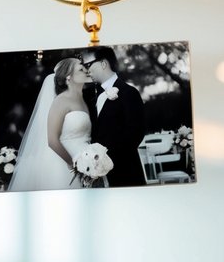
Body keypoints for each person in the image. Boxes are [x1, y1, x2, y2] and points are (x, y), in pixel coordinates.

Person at [8, 57, 93, 191]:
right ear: (69, 77)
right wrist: (74, 165)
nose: (86, 71)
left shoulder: (82, 100)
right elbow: (52, 141)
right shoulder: (61, 101)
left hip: (87, 162)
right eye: (81, 69)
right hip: (65, 165)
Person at [83, 46, 146, 187]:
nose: (87, 70)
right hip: (97, 175)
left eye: (88, 65)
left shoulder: (129, 92)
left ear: (103, 63)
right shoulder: (92, 97)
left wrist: (106, 159)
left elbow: (135, 134)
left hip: (126, 172)